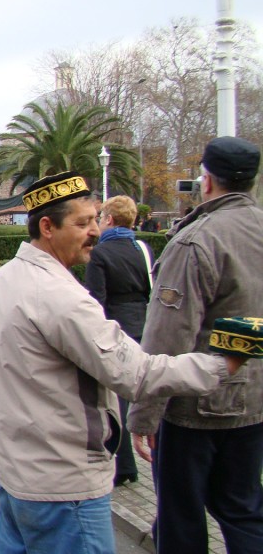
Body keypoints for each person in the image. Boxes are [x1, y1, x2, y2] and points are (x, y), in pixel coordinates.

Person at [0, 171, 247, 554]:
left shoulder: (1, 279)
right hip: (66, 490)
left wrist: (32, 376)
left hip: (17, 480)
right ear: (47, 227)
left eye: (95, 219)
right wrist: (221, 365)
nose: (95, 231)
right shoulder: (63, 298)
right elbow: (138, 375)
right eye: (82, 223)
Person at [128, 136, 263, 554]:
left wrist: (144, 415)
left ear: (206, 181)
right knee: (243, 511)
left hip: (194, 408)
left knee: (181, 519)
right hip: (253, 401)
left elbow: (168, 337)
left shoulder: (197, 241)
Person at [83, 195, 152, 488]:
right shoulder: (143, 249)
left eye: (101, 218)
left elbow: (96, 299)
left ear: (109, 219)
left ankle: (123, 465)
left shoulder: (100, 253)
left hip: (116, 327)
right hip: (143, 324)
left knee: (116, 399)